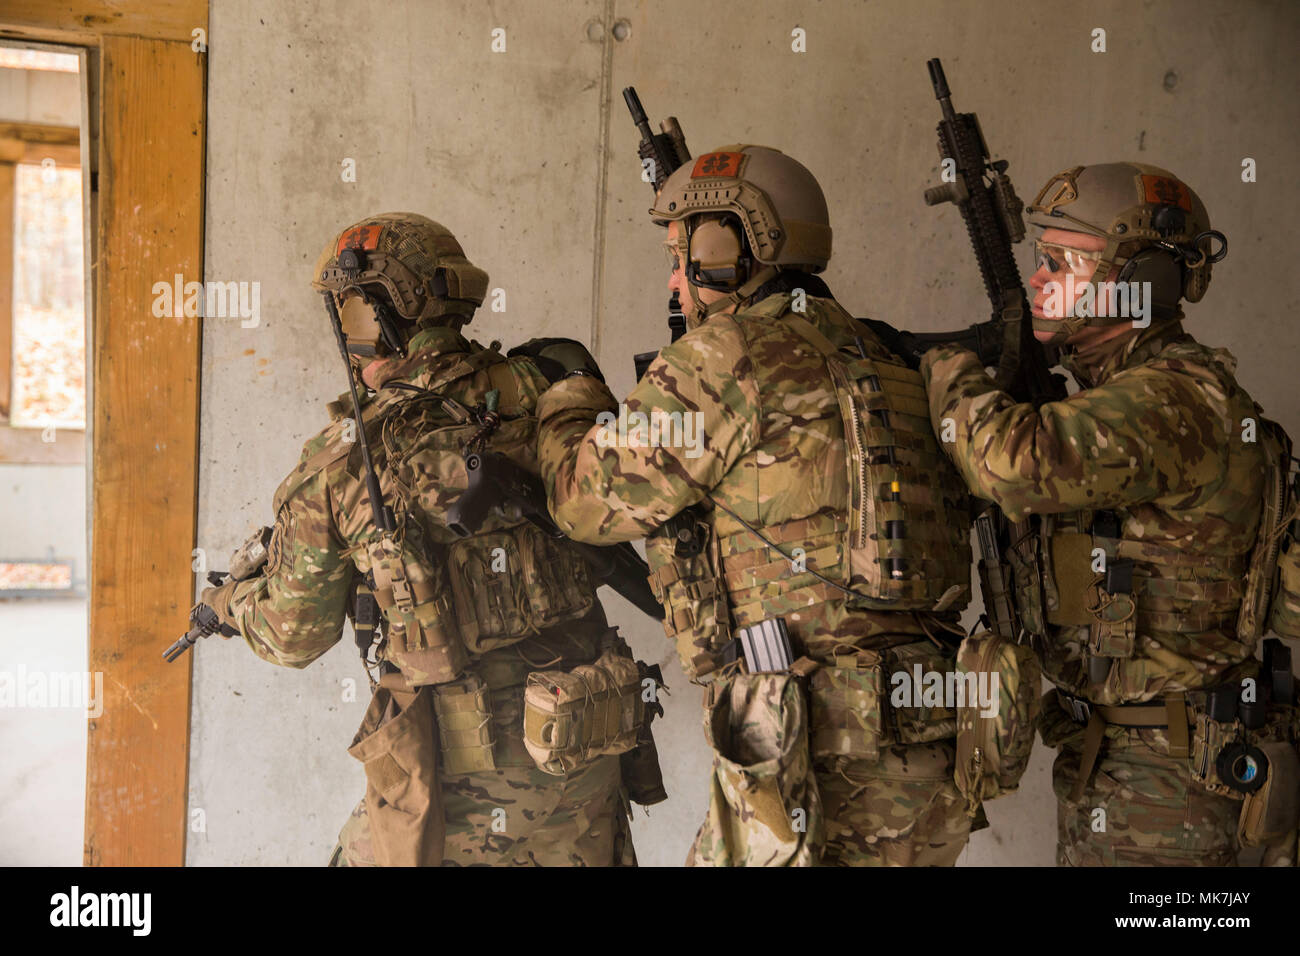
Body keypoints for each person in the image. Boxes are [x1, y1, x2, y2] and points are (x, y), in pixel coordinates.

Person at [535, 145, 977, 865]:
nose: (675, 279)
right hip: (930, 752)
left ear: (728, 250)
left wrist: (569, 402)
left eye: (682, 256)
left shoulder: (726, 356)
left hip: (811, 756)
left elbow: (585, 504)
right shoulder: (891, 357)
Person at [197, 213, 641, 866]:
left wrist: (231, 602)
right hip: (589, 740)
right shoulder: (547, 385)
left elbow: (293, 634)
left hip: (463, 772)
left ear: (384, 313)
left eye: (350, 312)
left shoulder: (345, 461)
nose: (347, 335)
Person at [922, 162, 1295, 866]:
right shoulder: (1124, 394)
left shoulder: (1174, 399)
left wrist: (947, 373)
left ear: (1139, 285)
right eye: (1039, 259)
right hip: (1126, 759)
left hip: (1166, 784)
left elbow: (1012, 463)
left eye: (1060, 263)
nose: (1038, 281)